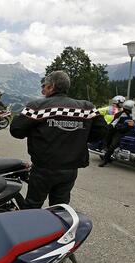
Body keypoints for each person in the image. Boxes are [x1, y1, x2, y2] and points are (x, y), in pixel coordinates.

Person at [10, 70, 108, 208]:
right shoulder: (88, 108)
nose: (42, 90)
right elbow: (102, 131)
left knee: (32, 206)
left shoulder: (36, 107)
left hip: (42, 169)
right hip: (70, 169)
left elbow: (16, 131)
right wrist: (80, 138)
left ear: (52, 86)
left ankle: (30, 228)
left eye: (44, 86)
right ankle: (58, 228)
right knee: (60, 208)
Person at [99, 99, 135, 167]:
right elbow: (114, 123)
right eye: (133, 109)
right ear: (128, 109)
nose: (134, 110)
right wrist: (110, 127)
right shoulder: (120, 115)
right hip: (120, 132)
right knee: (113, 145)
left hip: (131, 131)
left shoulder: (133, 115)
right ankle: (105, 160)